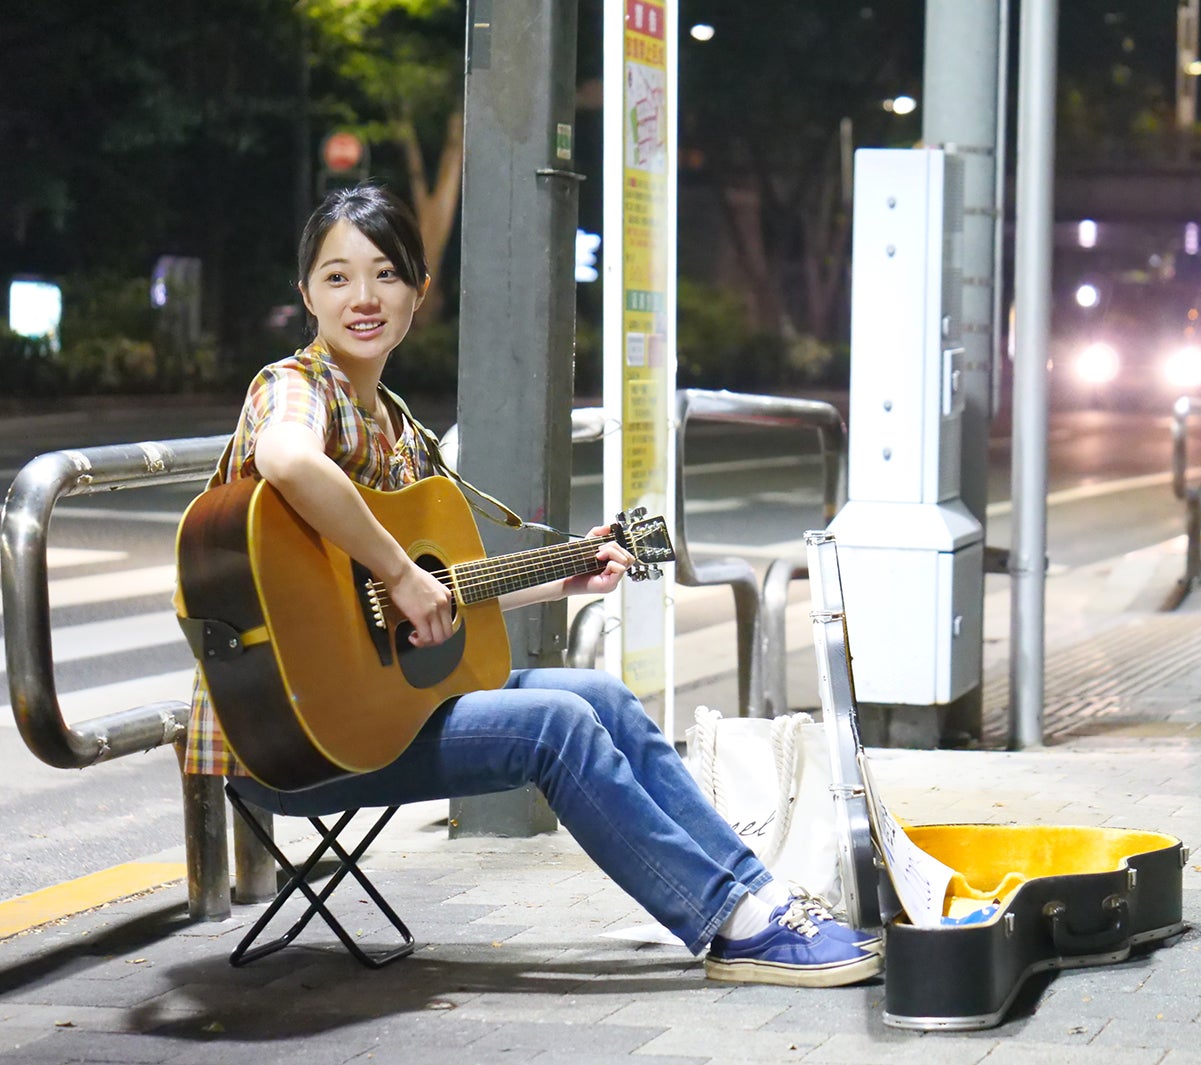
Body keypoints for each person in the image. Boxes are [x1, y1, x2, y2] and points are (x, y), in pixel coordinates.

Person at [182, 183, 882, 988]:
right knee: (556, 725)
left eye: (384, 275)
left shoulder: (400, 426)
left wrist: (558, 583)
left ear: (419, 288)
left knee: (606, 700)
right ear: (306, 293)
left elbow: (424, 603)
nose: (363, 298)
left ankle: (760, 897)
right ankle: (727, 923)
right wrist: (401, 569)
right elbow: (288, 460)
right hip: (287, 738)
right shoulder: (296, 384)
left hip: (373, 712)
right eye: (336, 278)